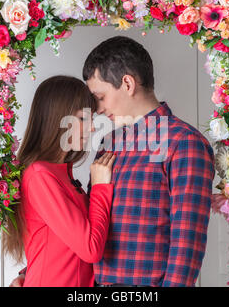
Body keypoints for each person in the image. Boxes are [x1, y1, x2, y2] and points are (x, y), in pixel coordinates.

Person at [11, 36, 215, 287]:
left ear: (127, 83)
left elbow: (187, 244)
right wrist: (30, 272)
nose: (96, 110)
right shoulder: (110, 144)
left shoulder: (182, 143)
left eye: (100, 96)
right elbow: (82, 228)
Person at [2, 75, 116, 287]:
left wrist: (25, 274)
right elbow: (90, 249)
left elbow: (57, 247)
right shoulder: (40, 175)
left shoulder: (60, 174)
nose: (92, 128)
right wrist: (100, 187)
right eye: (83, 119)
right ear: (59, 119)